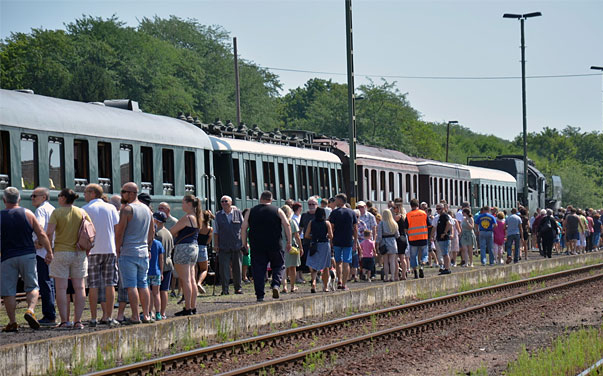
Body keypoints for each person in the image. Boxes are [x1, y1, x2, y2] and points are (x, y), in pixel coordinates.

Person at [1, 187, 52, 332]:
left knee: (8, 291)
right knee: (33, 286)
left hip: (7, 257)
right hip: (28, 255)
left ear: (4, 200)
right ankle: (30, 310)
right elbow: (41, 234)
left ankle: (12, 322)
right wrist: (49, 251)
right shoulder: (28, 213)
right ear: (19, 200)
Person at [46, 188, 92, 330]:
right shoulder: (82, 212)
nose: (58, 198)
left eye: (59, 196)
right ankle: (78, 321)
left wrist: (49, 251)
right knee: (80, 287)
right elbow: (90, 232)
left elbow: (49, 233)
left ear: (64, 198)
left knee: (61, 287)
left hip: (61, 253)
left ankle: (65, 321)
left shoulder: (57, 212)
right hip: (79, 253)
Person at [114, 183, 154, 324]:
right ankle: (147, 315)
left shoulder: (127, 210)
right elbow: (152, 233)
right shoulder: (147, 210)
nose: (122, 194)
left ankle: (135, 316)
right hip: (143, 252)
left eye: (124, 192)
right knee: (143, 284)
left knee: (131, 285)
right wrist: (148, 248)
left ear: (131, 193)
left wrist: (117, 249)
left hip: (128, 252)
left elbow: (120, 233)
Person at [241, 191, 291, 302]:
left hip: (257, 246)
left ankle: (260, 296)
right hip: (275, 245)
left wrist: (244, 243)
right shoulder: (278, 210)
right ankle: (276, 285)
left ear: (260, 199)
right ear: (271, 199)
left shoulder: (250, 211)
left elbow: (244, 227)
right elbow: (287, 224)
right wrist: (289, 241)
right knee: (278, 265)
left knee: (258, 270)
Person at [82, 184, 120, 327]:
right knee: (110, 283)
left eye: (85, 192)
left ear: (92, 193)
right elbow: (116, 229)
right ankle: (109, 317)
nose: (84, 195)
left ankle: (93, 317)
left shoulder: (85, 209)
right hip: (110, 250)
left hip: (92, 251)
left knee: (93, 285)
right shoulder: (111, 208)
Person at [170, 194, 202, 316]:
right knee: (192, 279)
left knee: (185, 280)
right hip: (194, 248)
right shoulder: (197, 217)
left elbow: (172, 231)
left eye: (183, 203)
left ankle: (187, 308)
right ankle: (193, 306)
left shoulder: (187, 218)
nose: (182, 205)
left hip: (183, 248)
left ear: (189, 204)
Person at [30, 187, 57, 326]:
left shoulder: (40, 210)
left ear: (43, 197)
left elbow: (40, 228)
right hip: (50, 249)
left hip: (42, 252)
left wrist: (39, 242)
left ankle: (49, 315)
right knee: (50, 283)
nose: (32, 198)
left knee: (45, 282)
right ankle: (51, 313)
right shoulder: (52, 208)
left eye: (35, 196)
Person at [213, 195, 244, 295]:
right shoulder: (218, 215)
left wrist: (244, 242)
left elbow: (243, 229)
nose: (224, 203)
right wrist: (216, 245)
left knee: (237, 268)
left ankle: (238, 288)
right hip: (223, 246)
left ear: (230, 202)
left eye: (226, 201)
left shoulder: (238, 213)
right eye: (222, 201)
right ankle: (225, 289)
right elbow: (216, 232)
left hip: (237, 245)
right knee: (224, 269)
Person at [328, 194, 358, 291]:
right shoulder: (352, 213)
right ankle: (344, 284)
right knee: (346, 262)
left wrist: (331, 240)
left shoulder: (334, 213)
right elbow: (355, 228)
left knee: (338, 262)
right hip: (348, 240)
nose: (335, 202)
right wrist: (355, 242)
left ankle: (339, 280)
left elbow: (331, 228)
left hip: (337, 240)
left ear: (340, 201)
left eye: (336, 200)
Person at [304, 207, 333, 292]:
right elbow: (331, 236)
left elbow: (306, 235)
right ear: (324, 214)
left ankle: (313, 283)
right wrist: (325, 236)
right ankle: (325, 287)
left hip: (314, 244)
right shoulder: (327, 223)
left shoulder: (311, 222)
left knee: (313, 265)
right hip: (324, 245)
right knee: (326, 266)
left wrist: (313, 237)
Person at [153, 211, 173, 320]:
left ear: (156, 221)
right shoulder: (168, 233)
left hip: (158, 265)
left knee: (155, 291)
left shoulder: (157, 234)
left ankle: (155, 312)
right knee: (164, 290)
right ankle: (163, 312)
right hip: (168, 263)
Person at [281, 205, 303, 293]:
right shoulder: (292, 222)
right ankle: (292, 286)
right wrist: (301, 247)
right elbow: (297, 236)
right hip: (291, 246)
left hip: (281, 246)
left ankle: (284, 286)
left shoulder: (278, 222)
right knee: (292, 268)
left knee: (283, 267)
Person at [405, 199, 428, 279]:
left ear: (411, 205)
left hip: (413, 239)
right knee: (424, 255)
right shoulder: (423, 213)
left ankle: (415, 272)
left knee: (413, 256)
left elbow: (405, 228)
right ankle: (422, 266)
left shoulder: (408, 215)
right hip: (423, 237)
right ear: (418, 205)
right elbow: (429, 224)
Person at [298, 197, 318, 283]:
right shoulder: (304, 215)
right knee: (308, 260)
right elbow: (300, 228)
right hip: (306, 241)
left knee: (317, 259)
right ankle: (314, 277)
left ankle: (316, 277)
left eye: (313, 204)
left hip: (317, 241)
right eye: (309, 204)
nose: (311, 206)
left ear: (317, 205)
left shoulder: (320, 215)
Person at [377, 209, 400, 282]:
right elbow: (397, 235)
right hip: (393, 242)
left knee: (385, 261)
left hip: (384, 242)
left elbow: (379, 236)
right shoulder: (394, 223)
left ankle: (386, 277)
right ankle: (393, 276)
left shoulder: (381, 223)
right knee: (392, 261)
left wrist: (377, 243)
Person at [147, 238, 165, 320]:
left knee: (148, 293)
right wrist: (161, 272)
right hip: (156, 271)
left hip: (146, 272)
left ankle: (149, 312)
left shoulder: (145, 243)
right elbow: (161, 259)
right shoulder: (158, 243)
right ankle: (158, 313)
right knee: (156, 293)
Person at [196, 210, 213, 294]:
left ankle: (194, 287)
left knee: (194, 268)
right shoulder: (210, 229)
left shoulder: (197, 226)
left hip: (194, 247)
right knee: (204, 269)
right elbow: (208, 242)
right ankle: (199, 283)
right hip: (202, 248)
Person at [435, 206, 452, 275]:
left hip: (444, 238)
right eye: (437, 209)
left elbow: (449, 224)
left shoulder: (445, 216)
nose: (438, 210)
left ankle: (447, 268)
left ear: (443, 209)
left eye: (439, 209)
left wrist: (444, 233)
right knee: (444, 253)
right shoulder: (440, 216)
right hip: (440, 238)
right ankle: (446, 267)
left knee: (445, 254)